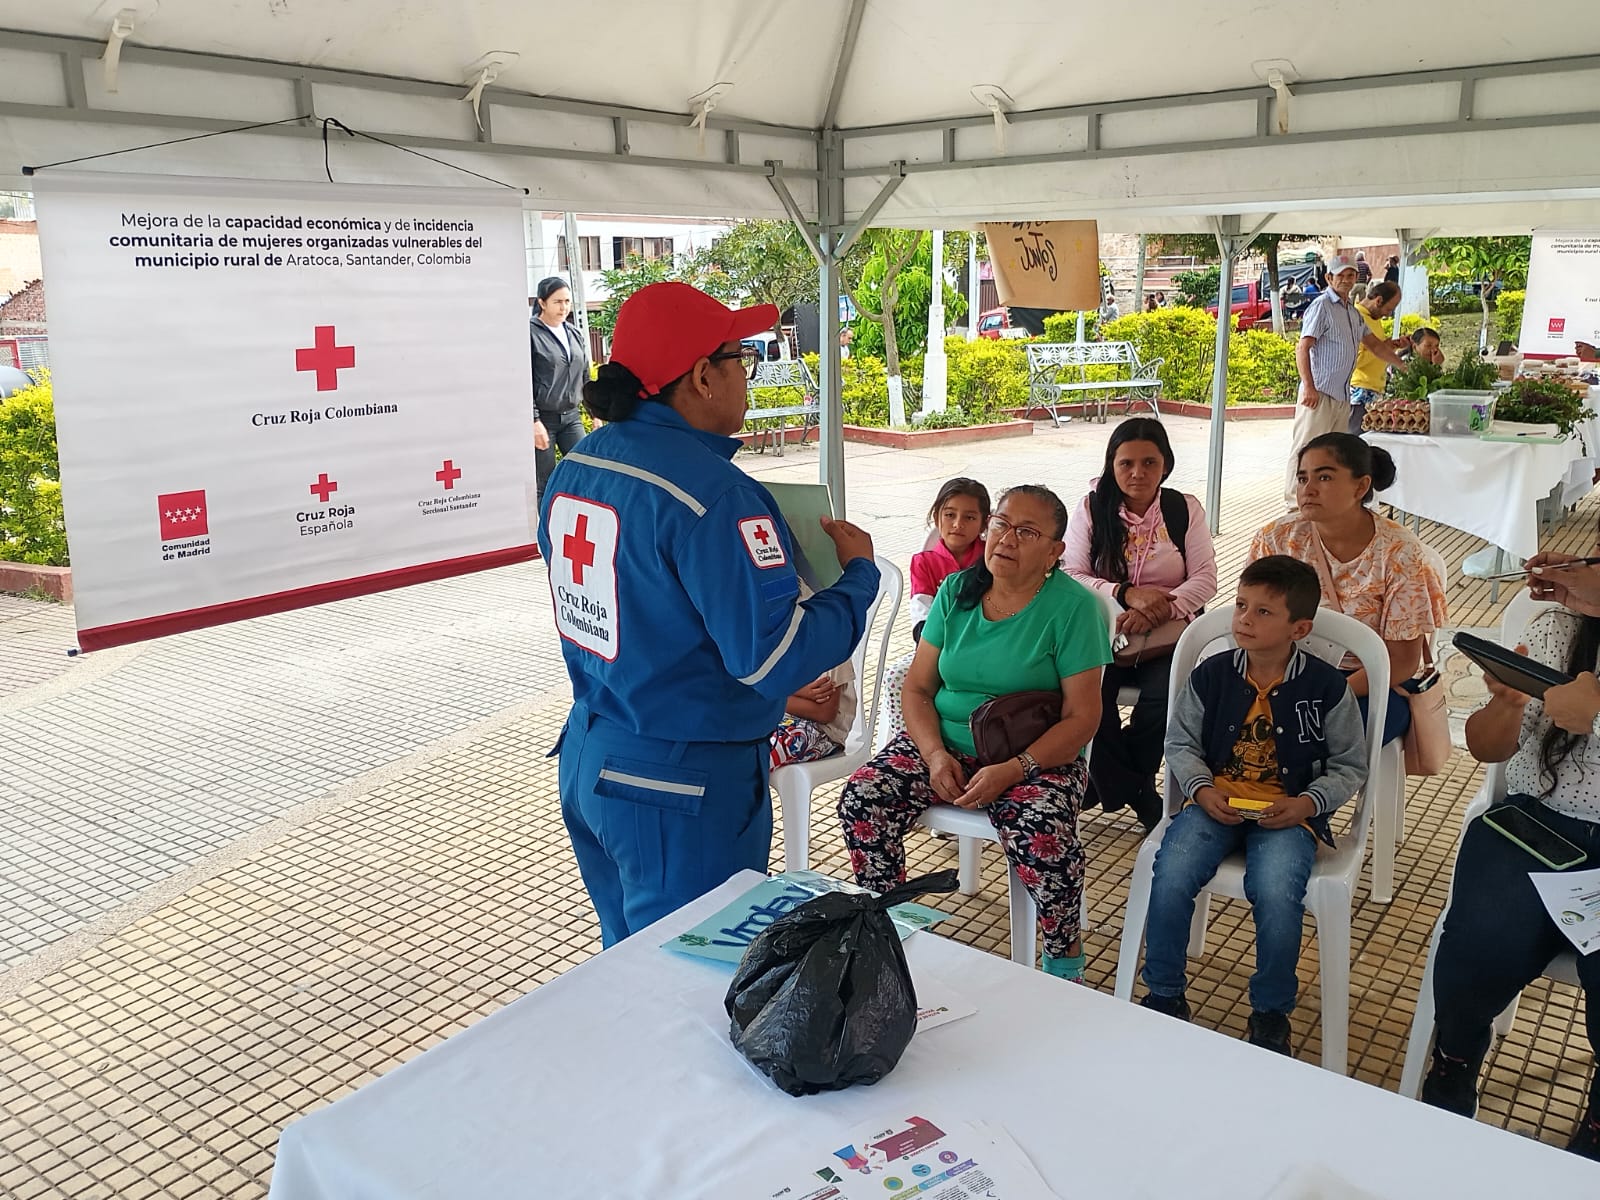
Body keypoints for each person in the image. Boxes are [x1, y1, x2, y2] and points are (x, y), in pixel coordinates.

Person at [537, 281, 880, 946]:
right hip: (677, 783)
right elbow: (772, 659)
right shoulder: (719, 495)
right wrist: (857, 579)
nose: (745, 377)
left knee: (629, 970)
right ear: (700, 377)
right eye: (741, 358)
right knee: (688, 984)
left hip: (590, 753)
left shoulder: (577, 463)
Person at [838, 485, 1110, 980]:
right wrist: (936, 755)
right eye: (1002, 523)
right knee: (864, 798)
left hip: (1035, 755)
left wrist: (1015, 769)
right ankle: (888, 930)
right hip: (948, 746)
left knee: (1042, 832)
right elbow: (918, 689)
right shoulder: (956, 592)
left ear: (1054, 551)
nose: (1007, 538)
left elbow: (1082, 719)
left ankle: (1063, 959)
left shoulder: (1075, 609)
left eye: (1027, 531)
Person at [1138, 556, 1367, 1054]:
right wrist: (1200, 789)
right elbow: (1179, 744)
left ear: (1299, 628)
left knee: (1277, 890)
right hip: (1213, 803)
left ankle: (1270, 1009)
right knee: (1172, 872)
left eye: (1264, 612)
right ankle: (1163, 992)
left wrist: (1308, 804)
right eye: (1241, 605)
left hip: (1287, 815)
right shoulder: (1213, 674)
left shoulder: (1327, 688)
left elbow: (1350, 766)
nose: (1243, 618)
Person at [1420, 529, 1600, 1161]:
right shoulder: (1558, 630)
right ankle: (1455, 1060)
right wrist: (1507, 703)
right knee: (1479, 937)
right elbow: (1490, 748)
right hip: (1538, 823)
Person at [1060, 419, 1218, 828]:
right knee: (1089, 700)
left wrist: (1160, 608)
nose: (1137, 472)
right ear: (1112, 464)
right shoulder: (1092, 507)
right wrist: (1126, 594)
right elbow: (1072, 574)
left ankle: (1108, 784)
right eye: (1126, 462)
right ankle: (1138, 791)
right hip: (1105, 632)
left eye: (1149, 462)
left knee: (1166, 698)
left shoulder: (1184, 509)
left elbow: (1205, 578)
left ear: (1165, 464)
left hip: (1168, 635)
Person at [1252, 433, 1447, 745]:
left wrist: (1325, 693)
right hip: (1284, 671)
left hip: (1368, 682)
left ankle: (1309, 794)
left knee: (1314, 738)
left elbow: (1402, 660)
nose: (1308, 489)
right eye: (1302, 478)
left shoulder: (1399, 552)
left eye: (1325, 477)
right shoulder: (1276, 539)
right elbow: (1251, 618)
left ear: (1361, 486)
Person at [1285, 255, 1407, 503]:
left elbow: (1375, 346)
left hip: (1342, 395)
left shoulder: (1353, 313)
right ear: (1329, 278)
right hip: (1319, 394)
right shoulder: (1321, 306)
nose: (1346, 280)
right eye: (1340, 275)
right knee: (1305, 450)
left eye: (1351, 275)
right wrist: (1308, 386)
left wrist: (1403, 366)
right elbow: (1303, 347)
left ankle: (1323, 502)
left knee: (1333, 455)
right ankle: (1294, 504)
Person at [770, 584, 856, 769]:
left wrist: (769, 697)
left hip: (820, 732)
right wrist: (796, 691)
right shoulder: (763, 626)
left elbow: (824, 713)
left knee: (752, 757)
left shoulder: (826, 631)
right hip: (775, 716)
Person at [530, 275, 591, 503]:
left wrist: (595, 413)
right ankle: (546, 533)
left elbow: (584, 374)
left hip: (572, 418)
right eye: (557, 301)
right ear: (542, 302)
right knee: (545, 482)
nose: (563, 307)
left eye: (567, 301)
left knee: (586, 470)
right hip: (543, 419)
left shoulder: (574, 333)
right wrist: (534, 420)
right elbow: (524, 382)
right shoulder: (530, 334)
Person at [1348, 280, 1406, 435]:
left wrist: (1391, 345)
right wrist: (1383, 347)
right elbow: (1355, 360)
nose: (1388, 314)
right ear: (1378, 300)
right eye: (1389, 308)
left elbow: (1377, 348)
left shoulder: (1374, 319)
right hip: (1360, 390)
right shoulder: (1357, 317)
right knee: (1357, 440)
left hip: (1374, 389)